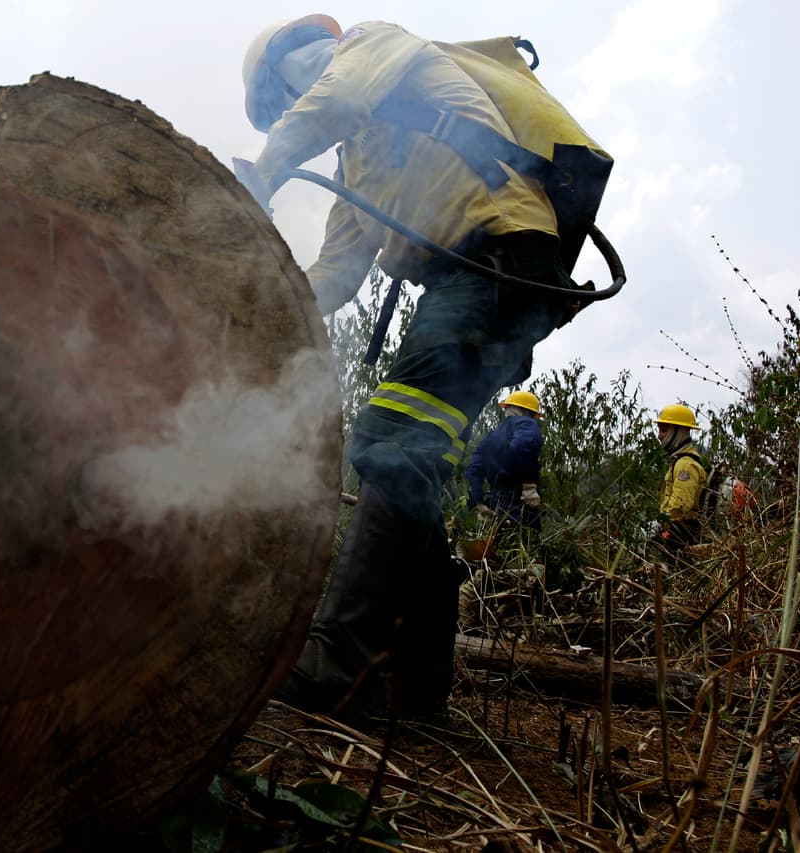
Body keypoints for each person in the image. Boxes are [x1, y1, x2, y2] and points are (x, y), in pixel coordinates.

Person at [238, 16, 613, 720]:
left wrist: (262, 172)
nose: (288, 110)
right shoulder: (360, 158)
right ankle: (412, 682)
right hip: (470, 279)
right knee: (411, 461)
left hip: (500, 258)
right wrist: (261, 306)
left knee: (391, 441)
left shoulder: (370, 47)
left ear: (297, 61)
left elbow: (334, 98)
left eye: (282, 98)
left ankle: (336, 660)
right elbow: (338, 272)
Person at [465, 390, 544, 532]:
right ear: (527, 412)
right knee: (527, 542)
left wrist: (478, 502)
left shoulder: (491, 436)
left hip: (496, 502)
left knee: (499, 544)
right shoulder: (526, 424)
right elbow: (522, 445)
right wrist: (529, 486)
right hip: (517, 499)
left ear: (508, 409)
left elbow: (474, 469)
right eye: (533, 415)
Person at [651, 403, 707, 560]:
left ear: (678, 431)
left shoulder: (686, 465)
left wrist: (660, 524)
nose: (659, 436)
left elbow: (681, 505)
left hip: (684, 538)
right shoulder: (678, 461)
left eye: (663, 430)